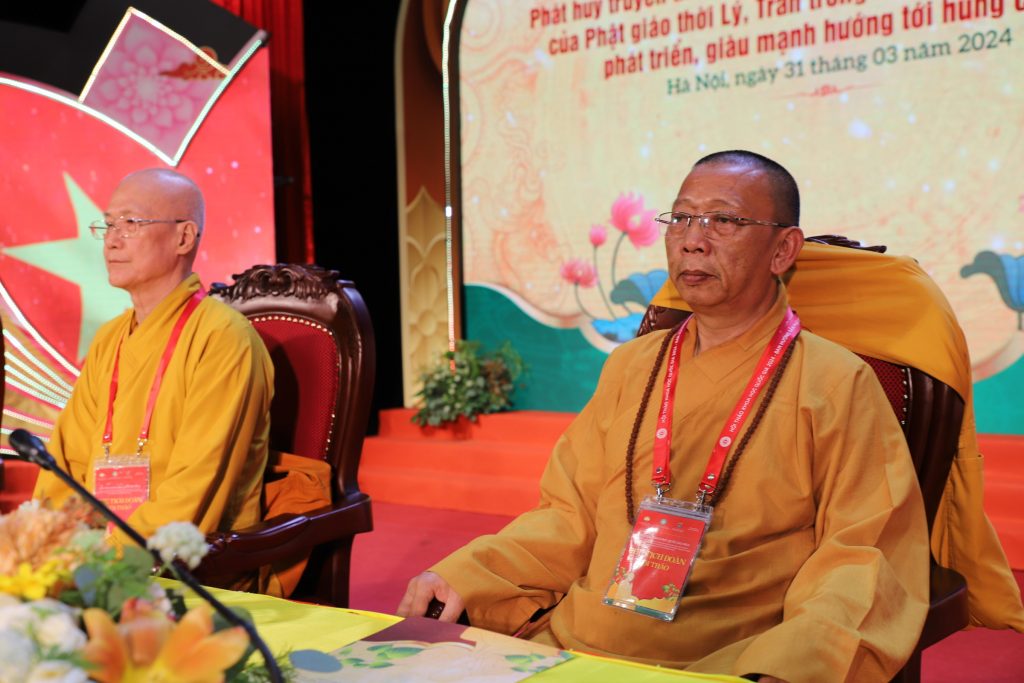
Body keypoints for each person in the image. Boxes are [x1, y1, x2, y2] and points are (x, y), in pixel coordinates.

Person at [398, 151, 930, 682]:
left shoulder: (834, 381)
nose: (693, 239)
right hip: (578, 644)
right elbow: (568, 516)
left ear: (783, 249)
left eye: (724, 220)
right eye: (682, 218)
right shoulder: (633, 365)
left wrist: (793, 664)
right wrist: (467, 574)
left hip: (729, 661)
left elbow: (864, 553)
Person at [33, 168, 273, 548]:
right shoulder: (109, 339)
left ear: (183, 237)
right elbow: (66, 463)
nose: (112, 241)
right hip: (94, 554)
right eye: (109, 225)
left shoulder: (223, 339)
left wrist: (102, 561)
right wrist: (45, 543)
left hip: (183, 564)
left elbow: (193, 490)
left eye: (131, 223)